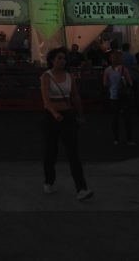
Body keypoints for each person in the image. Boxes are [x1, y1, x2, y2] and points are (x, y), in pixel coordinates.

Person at [40, 47, 93, 200]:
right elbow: (46, 99)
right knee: (51, 150)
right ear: (51, 60)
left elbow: (75, 97)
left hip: (68, 116)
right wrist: (54, 112)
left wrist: (81, 114)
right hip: (51, 118)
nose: (62, 61)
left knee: (73, 153)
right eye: (59, 58)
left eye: (64, 58)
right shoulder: (46, 76)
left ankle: (81, 188)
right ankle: (49, 180)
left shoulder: (70, 77)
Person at [102, 51, 134, 146]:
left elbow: (105, 84)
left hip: (113, 96)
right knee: (126, 118)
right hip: (124, 96)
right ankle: (129, 140)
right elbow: (130, 83)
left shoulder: (107, 70)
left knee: (115, 119)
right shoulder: (124, 69)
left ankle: (116, 139)